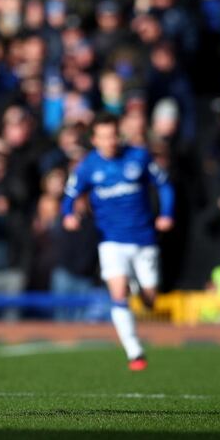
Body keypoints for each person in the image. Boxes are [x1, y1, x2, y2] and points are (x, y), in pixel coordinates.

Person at [61, 115, 174, 371]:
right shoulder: (88, 166)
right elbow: (69, 194)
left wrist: (166, 214)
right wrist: (68, 215)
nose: (109, 141)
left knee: (150, 300)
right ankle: (135, 352)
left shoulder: (139, 157)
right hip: (111, 240)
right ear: (95, 140)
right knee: (119, 294)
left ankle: (139, 286)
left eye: (113, 135)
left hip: (144, 239)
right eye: (103, 137)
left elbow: (165, 185)